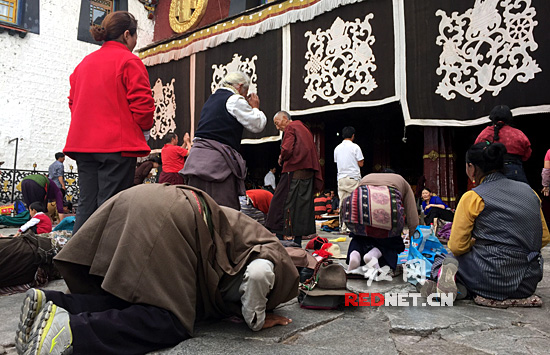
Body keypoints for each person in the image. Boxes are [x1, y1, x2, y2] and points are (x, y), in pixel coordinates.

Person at [14, 184, 298, 355]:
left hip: (135, 200)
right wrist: (256, 319)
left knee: (130, 296)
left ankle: (53, 305)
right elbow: (260, 273)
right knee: (170, 320)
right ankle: (74, 332)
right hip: (170, 217)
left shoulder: (246, 230)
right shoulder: (272, 253)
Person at [63, 11, 155, 234]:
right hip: (116, 146)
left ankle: (75, 262)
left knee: (86, 205)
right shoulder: (128, 60)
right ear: (126, 35)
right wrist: (143, 130)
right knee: (111, 207)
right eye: (134, 38)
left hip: (84, 146)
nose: (134, 43)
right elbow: (143, 105)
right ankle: (102, 266)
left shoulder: (84, 64)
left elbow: (73, 102)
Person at [422, 142, 549, 301]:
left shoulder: (473, 197)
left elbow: (457, 246)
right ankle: (464, 289)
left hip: (488, 277)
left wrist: (475, 243)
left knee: (446, 258)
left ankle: (456, 284)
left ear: (471, 168)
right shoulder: (531, 193)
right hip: (526, 282)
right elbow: (544, 238)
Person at [182, 72, 266, 210]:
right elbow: (258, 124)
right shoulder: (234, 99)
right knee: (222, 207)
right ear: (240, 86)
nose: (245, 97)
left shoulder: (212, 99)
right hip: (215, 163)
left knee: (198, 206)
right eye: (245, 92)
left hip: (196, 160)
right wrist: (255, 108)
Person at [265, 111, 323, 246]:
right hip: (307, 175)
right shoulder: (304, 128)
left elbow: (287, 149)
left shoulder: (291, 127)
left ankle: (279, 238)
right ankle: (297, 241)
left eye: (277, 123)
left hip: (293, 172)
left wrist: (281, 157)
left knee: (279, 203)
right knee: (302, 208)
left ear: (285, 119)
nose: (277, 127)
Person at [346, 173, 419, 271]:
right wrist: (415, 241)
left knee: (359, 236)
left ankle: (354, 254)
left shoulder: (367, 177)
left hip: (362, 210)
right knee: (393, 240)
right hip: (388, 212)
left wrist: (354, 228)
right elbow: (412, 214)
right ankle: (373, 255)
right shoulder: (402, 181)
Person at [475, 105, 531, 184]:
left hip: (492, 173)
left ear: (492, 118)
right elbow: (527, 155)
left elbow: (477, 153)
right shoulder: (518, 134)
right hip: (515, 171)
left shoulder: (484, 134)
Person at [334, 126, 364, 232]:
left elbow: (338, 162)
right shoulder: (355, 147)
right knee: (354, 202)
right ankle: (354, 227)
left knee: (343, 203)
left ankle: (343, 227)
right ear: (353, 136)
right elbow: (361, 163)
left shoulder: (337, 148)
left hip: (341, 178)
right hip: (353, 178)